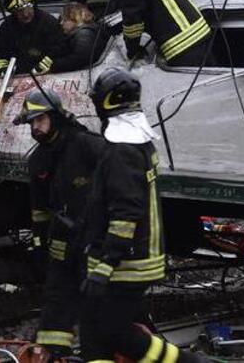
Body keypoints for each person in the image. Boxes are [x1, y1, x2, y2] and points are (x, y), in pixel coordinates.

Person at [80, 67, 209, 363]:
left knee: (115, 333)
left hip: (128, 264)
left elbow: (126, 213)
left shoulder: (121, 149)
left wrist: (104, 266)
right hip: (137, 259)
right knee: (95, 334)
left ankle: (188, 362)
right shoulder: (140, 141)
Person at [14, 89, 106, 360]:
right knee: (56, 295)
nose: (34, 127)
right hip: (61, 237)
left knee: (97, 296)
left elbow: (117, 185)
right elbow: (40, 209)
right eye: (31, 122)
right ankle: (54, 353)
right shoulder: (38, 159)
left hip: (93, 235)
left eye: (39, 120)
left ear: (55, 117)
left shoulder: (87, 145)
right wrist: (39, 242)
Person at [0, 0, 67, 76]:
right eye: (19, 10)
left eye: (28, 7)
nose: (25, 14)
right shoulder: (6, 27)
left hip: (45, 75)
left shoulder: (49, 23)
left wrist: (48, 63)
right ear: (12, 12)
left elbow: (60, 48)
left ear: (34, 4)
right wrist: (2, 68)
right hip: (15, 77)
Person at [52, 3, 108, 73]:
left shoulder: (84, 34)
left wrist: (54, 66)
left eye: (65, 20)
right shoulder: (84, 32)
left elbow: (80, 58)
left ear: (77, 19)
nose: (61, 23)